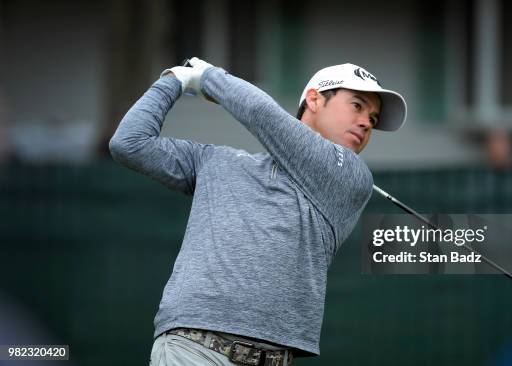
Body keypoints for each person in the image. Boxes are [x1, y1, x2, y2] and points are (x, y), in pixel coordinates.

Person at [109, 57, 407, 366]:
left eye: (372, 119)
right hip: (193, 349)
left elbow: (261, 114)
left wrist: (208, 76)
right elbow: (129, 143)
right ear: (315, 99)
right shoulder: (217, 161)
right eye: (357, 106)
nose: (365, 123)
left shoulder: (352, 177)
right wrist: (173, 80)